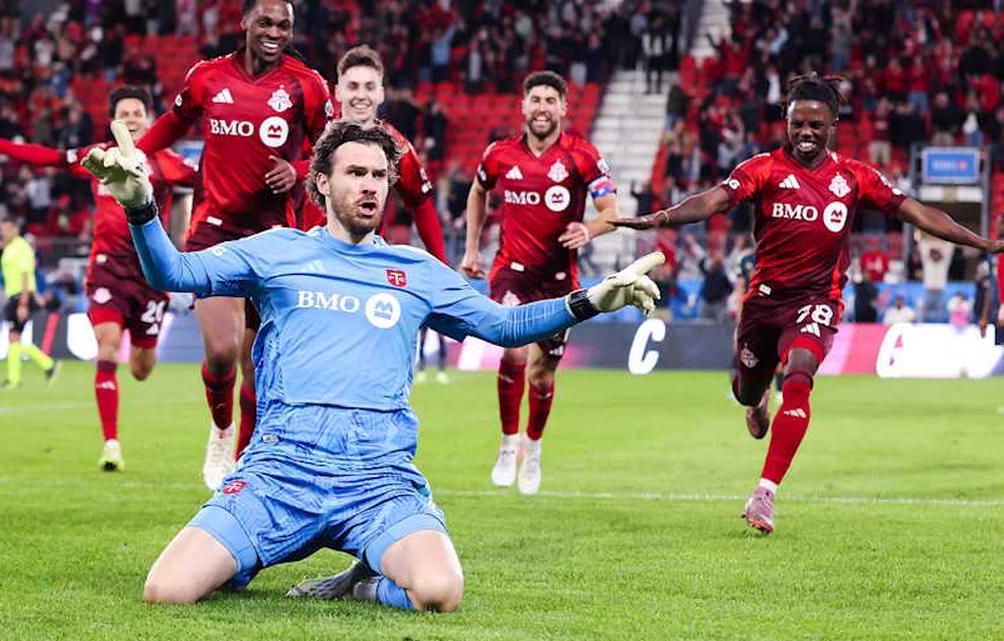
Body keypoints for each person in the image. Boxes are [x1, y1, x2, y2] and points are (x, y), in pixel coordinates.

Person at [81, 119, 663, 611]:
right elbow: (173, 274)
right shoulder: (278, 249)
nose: (371, 187)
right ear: (321, 183)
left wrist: (592, 300)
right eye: (355, 174)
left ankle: (362, 584)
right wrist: (141, 205)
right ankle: (247, 554)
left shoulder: (415, 270)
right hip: (281, 472)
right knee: (166, 591)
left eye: (380, 177)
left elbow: (501, 326)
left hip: (377, 477)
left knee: (441, 591)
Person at [613, 73, 1004, 534]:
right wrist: (661, 218)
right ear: (786, 122)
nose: (805, 133)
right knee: (748, 390)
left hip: (817, 301)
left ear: (833, 125)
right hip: (763, 304)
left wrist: (984, 244)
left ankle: (765, 494)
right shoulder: (763, 169)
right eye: (798, 124)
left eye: (816, 125)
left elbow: (918, 212)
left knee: (799, 379)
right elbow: (714, 200)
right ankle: (755, 401)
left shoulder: (854, 178)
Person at [135, 0, 332, 489]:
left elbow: (334, 150)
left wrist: (300, 170)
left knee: (256, 365)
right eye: (265, 22)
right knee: (221, 352)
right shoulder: (206, 78)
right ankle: (221, 432)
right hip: (213, 230)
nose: (274, 32)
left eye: (284, 25)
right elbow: (171, 125)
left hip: (273, 237)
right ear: (244, 22)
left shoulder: (306, 85)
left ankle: (245, 461)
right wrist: (133, 155)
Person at [0, 86, 196, 472]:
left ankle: (133, 370)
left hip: (150, 276)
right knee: (107, 348)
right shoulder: (95, 158)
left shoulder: (167, 163)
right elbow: (46, 157)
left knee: (142, 370)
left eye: (138, 113)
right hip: (107, 271)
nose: (132, 120)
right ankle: (111, 443)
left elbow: (211, 183)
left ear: (150, 119)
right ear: (112, 121)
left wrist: (186, 213)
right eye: (124, 114)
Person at [461, 70, 621, 495]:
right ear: (523, 106)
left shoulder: (582, 156)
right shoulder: (499, 154)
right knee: (513, 353)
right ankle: (506, 444)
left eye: (551, 100)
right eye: (536, 99)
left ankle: (533, 449)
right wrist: (471, 248)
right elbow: (478, 193)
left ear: (564, 108)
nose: (543, 108)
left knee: (543, 373)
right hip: (510, 270)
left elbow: (611, 209)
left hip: (558, 279)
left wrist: (589, 229)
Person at [325, 45, 450, 385]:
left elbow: (422, 204)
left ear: (381, 93)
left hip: (366, 272)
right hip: (309, 269)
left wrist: (440, 267)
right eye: (352, 87)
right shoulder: (314, 134)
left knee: (364, 377)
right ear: (337, 91)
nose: (361, 96)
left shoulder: (396, 147)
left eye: (369, 87)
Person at [0, 218, 61, 390]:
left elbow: (26, 275)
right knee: (14, 337)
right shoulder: (9, 247)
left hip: (20, 297)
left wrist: (24, 302)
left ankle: (45, 366)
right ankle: (16, 377)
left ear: (15, 230)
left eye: (6, 229)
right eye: (1, 230)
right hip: (14, 295)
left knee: (14, 337)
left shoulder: (22, 248)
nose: (3, 233)